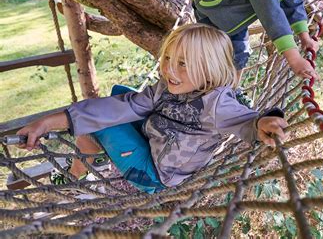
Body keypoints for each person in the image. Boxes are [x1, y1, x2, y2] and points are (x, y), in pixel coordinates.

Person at [17, 24, 288, 194]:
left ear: (210, 70)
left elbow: (250, 123)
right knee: (120, 95)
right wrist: (48, 121)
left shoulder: (218, 105)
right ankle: (92, 151)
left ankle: (77, 175)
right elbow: (119, 105)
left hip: (155, 174)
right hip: (157, 141)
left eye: (183, 64)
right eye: (167, 58)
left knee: (104, 121)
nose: (169, 69)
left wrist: (264, 124)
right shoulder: (167, 87)